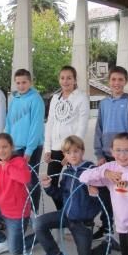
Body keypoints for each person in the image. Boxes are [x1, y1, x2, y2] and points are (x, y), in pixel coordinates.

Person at [35, 135, 106, 255]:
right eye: (68, 152)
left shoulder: (91, 171)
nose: (72, 155)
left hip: (82, 223)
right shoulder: (67, 173)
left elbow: (102, 197)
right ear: (64, 155)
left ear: (82, 151)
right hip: (66, 216)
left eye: (76, 151)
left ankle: (106, 246)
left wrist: (96, 194)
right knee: (39, 223)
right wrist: (48, 187)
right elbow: (61, 195)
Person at [93, 66, 128, 239]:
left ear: (126, 81)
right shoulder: (104, 104)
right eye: (113, 79)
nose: (117, 83)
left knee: (125, 195)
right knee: (106, 195)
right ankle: (107, 227)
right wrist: (99, 154)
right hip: (106, 157)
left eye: (120, 80)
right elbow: (99, 129)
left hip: (123, 159)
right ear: (109, 82)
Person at [43, 66, 90, 206]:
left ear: (75, 80)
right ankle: (63, 213)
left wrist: (71, 152)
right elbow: (50, 123)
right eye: (62, 78)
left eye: (69, 78)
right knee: (50, 185)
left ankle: (81, 216)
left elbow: (82, 126)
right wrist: (47, 149)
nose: (65, 81)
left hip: (71, 149)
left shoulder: (81, 98)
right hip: (55, 149)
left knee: (76, 184)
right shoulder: (55, 99)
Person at [5, 69, 45, 212]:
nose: (21, 86)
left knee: (31, 181)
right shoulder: (14, 99)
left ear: (30, 82)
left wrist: (29, 150)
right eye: (18, 83)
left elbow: (36, 126)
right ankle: (20, 211)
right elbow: (8, 122)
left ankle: (34, 213)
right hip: (15, 146)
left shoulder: (36, 99)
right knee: (16, 181)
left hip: (32, 148)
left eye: (24, 82)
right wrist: (6, 144)